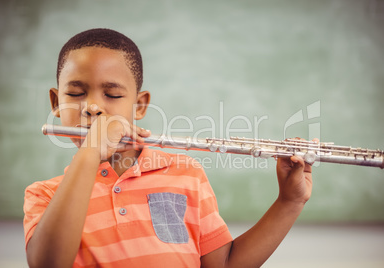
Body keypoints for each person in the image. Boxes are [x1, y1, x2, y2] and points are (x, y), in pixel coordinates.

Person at [23, 28, 314, 268]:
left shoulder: (185, 173)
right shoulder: (45, 195)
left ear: (139, 105)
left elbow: (223, 265)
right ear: (56, 103)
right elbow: (48, 263)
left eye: (111, 94)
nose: (93, 107)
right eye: (75, 93)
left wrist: (289, 202)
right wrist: (90, 152)